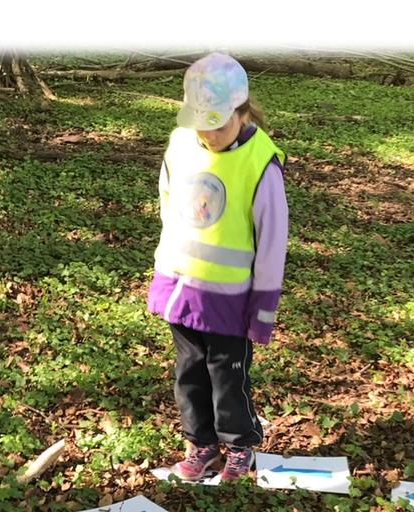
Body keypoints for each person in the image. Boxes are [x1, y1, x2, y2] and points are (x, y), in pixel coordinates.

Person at [146, 53, 289, 481]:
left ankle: (239, 444)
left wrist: (263, 308)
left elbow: (272, 242)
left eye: (219, 124)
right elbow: (168, 206)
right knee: (189, 372)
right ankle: (201, 444)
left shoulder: (261, 162)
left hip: (230, 299)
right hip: (182, 288)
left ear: (242, 113)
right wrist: (165, 271)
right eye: (201, 124)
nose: (208, 134)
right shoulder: (180, 143)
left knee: (227, 376)